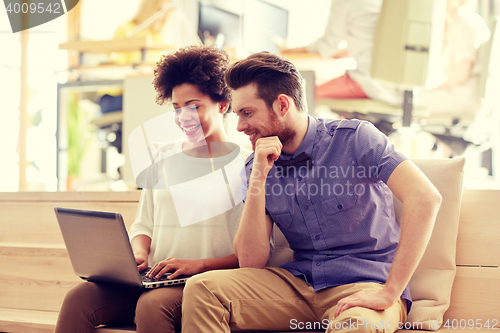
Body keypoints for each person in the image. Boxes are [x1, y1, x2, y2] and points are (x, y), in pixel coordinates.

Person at [181, 52, 442, 333]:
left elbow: (426, 198)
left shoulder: (356, 139)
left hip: (365, 286)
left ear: (282, 105)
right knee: (202, 288)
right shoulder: (254, 166)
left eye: (247, 113)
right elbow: (250, 262)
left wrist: (391, 292)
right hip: (298, 286)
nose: (240, 126)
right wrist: (258, 176)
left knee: (359, 327)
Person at [54, 45, 249, 333]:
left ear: (222, 104)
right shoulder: (163, 156)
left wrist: (197, 265)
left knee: (152, 304)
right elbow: (144, 223)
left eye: (194, 106)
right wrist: (138, 254)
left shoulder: (247, 164)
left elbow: (254, 253)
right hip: (154, 277)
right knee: (78, 298)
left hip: (203, 283)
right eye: (176, 108)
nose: (184, 117)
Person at [281, 0, 403, 105]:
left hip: (371, 84)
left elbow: (327, 46)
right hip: (402, 90)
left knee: (303, 96)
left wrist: (287, 51)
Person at [415, 0, 490, 117]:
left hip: (462, 97)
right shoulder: (469, 20)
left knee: (409, 101)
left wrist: (429, 90)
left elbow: (461, 74)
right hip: (465, 95)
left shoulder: (464, 21)